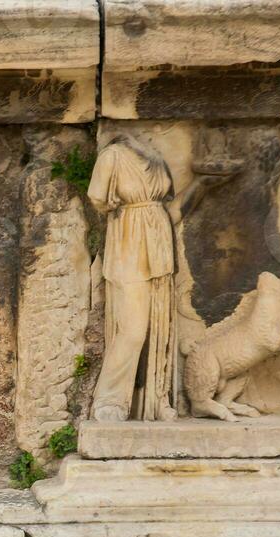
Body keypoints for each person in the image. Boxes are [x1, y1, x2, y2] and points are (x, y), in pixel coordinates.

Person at [87, 135, 178, 422]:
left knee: (159, 322)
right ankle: (109, 399)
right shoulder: (112, 156)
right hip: (128, 240)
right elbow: (97, 197)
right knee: (133, 328)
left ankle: (155, 397)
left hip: (158, 240)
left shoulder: (155, 155)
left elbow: (168, 198)